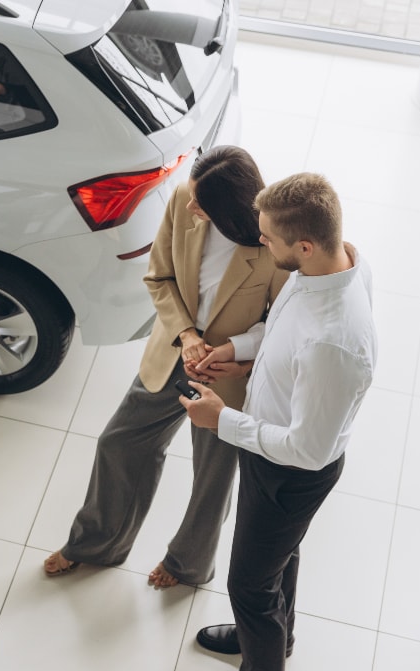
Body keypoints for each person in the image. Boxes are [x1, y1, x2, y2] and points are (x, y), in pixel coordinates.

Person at [42, 146, 289, 589]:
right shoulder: (182, 200)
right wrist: (187, 336)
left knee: (212, 480)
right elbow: (159, 276)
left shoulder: (274, 243)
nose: (191, 206)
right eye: (192, 196)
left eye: (202, 203)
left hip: (230, 380)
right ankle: (96, 544)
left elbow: (283, 322)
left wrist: (239, 360)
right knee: (118, 444)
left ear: (230, 206)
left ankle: (187, 565)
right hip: (174, 353)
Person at [180, 172, 376, 671]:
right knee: (279, 558)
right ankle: (276, 637)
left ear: (305, 245)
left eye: (267, 237)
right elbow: (282, 326)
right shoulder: (335, 263)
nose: (259, 241)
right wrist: (239, 350)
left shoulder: (333, 345)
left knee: (247, 585)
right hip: (269, 447)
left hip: (291, 473)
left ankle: (263, 660)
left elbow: (307, 451)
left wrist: (221, 420)